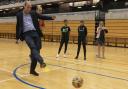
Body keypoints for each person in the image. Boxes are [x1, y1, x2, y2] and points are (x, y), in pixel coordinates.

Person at [16, 1, 55, 76]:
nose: (29, 8)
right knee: (33, 47)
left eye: (30, 7)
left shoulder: (33, 13)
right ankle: (41, 62)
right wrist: (17, 38)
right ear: (24, 6)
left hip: (35, 33)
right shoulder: (19, 15)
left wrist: (51, 18)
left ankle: (32, 70)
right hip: (26, 34)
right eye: (28, 7)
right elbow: (18, 26)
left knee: (36, 51)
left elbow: (41, 16)